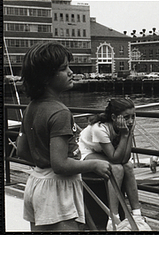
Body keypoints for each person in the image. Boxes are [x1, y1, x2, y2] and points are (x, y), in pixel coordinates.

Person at [16, 42, 111, 232]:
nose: (70, 72)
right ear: (45, 77)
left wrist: (44, 161)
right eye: (63, 68)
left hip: (37, 183)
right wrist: (93, 165)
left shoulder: (31, 107)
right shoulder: (60, 112)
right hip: (58, 190)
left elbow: (22, 151)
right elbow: (60, 165)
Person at [78, 98, 148, 231]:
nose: (131, 121)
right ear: (114, 117)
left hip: (103, 152)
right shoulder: (100, 128)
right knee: (116, 168)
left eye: (133, 116)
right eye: (126, 117)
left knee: (128, 166)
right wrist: (124, 135)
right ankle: (113, 217)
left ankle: (137, 213)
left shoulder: (127, 126)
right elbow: (115, 159)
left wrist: (128, 133)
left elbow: (125, 158)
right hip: (86, 150)